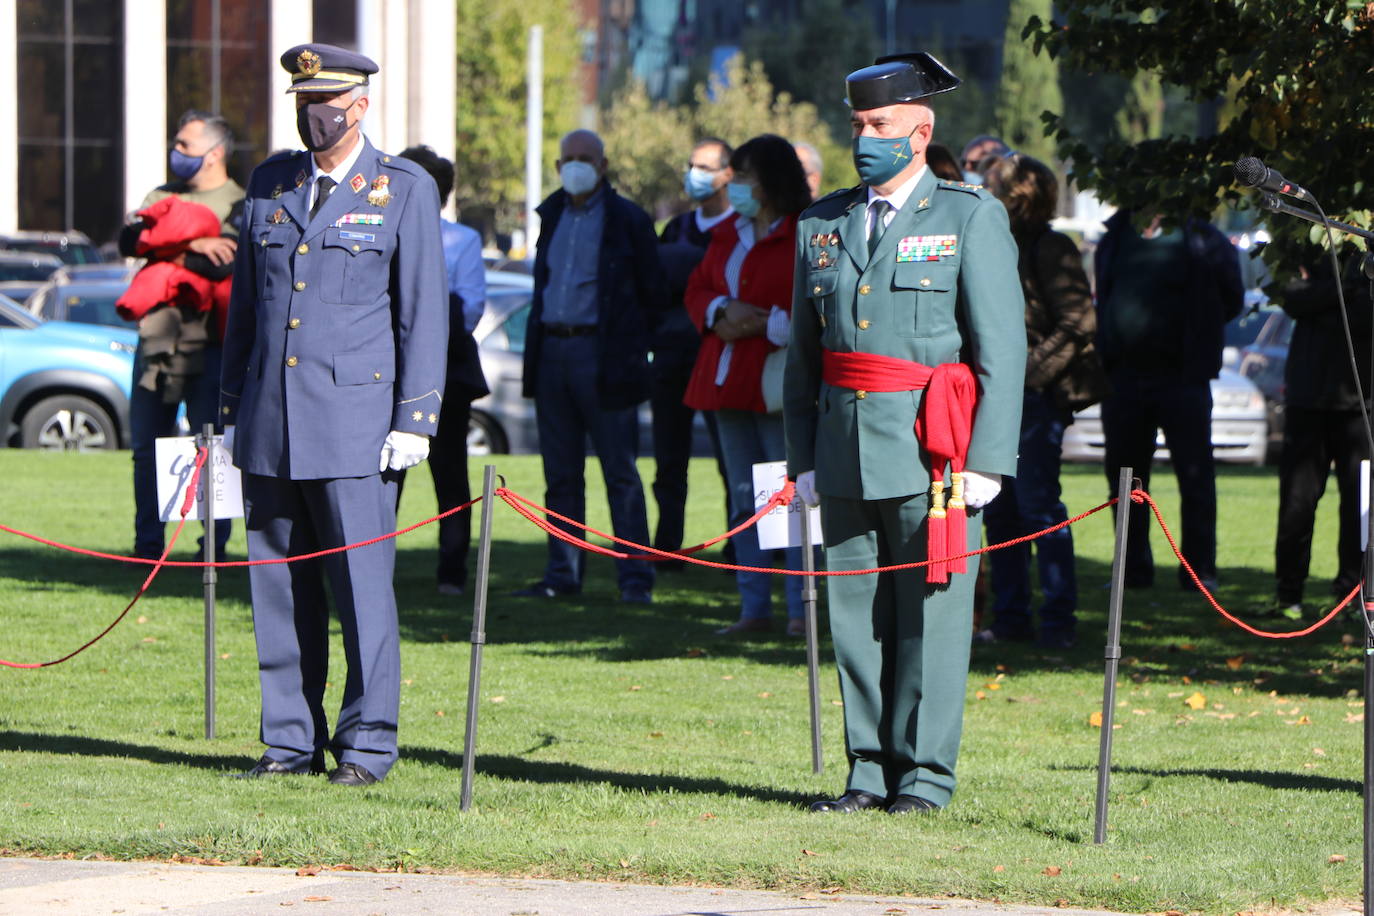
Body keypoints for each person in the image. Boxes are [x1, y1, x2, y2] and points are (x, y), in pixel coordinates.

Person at [785, 53, 1026, 814]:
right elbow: (803, 357)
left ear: (920, 132)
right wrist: (804, 461)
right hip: (844, 445)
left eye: (879, 125)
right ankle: (867, 772)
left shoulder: (969, 215)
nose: (864, 138)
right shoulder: (821, 223)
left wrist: (989, 458)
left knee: (931, 617)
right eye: (857, 125)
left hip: (935, 452)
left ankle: (923, 778)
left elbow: (1001, 349)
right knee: (855, 617)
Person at [220, 43, 448, 786]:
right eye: (302, 103)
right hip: (271, 423)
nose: (312, 116)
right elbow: (246, 314)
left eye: (326, 104)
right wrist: (230, 409)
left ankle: (367, 745)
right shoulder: (268, 184)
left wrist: (416, 418)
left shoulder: (403, 188)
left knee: (361, 592)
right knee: (278, 588)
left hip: (356, 425)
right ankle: (289, 740)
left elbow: (422, 315)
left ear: (360, 106)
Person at [514, 130, 664, 603]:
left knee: (620, 472)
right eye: (569, 159)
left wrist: (631, 349)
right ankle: (562, 576)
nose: (576, 166)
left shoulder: (628, 220)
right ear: (558, 167)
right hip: (553, 353)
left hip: (605, 356)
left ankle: (635, 579)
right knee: (560, 475)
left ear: (603, 165)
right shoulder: (551, 214)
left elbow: (652, 293)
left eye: (586, 158)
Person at [683, 134, 812, 637]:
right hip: (726, 380)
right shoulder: (728, 233)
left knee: (790, 497)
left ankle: (802, 610)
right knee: (744, 498)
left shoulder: (806, 231)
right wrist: (719, 312)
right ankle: (753, 608)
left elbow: (814, 305)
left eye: (745, 176)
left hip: (779, 386)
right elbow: (699, 288)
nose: (734, 185)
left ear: (772, 180)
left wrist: (765, 323)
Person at [980, 153, 1104, 649]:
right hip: (995, 397)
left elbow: (1079, 321)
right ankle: (1010, 619)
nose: (981, 188)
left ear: (1018, 194)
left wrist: (1028, 375)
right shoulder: (993, 242)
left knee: (1037, 506)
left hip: (1035, 400)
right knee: (999, 510)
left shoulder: (1051, 247)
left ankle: (1057, 623)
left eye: (991, 182)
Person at [1094, 209, 1243, 591]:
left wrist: (1197, 333)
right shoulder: (1117, 236)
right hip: (1124, 377)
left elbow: (1231, 297)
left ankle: (1198, 572)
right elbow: (1105, 292)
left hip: (1183, 377)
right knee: (1125, 480)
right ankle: (1131, 570)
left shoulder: (1200, 236)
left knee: (1195, 477)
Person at [119, 110, 241, 561]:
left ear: (215, 153)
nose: (177, 153)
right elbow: (128, 241)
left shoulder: (238, 203)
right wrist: (190, 244)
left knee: (213, 451)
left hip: (211, 349)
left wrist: (163, 251)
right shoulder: (162, 194)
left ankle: (213, 549)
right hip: (156, 342)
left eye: (185, 145)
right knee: (146, 449)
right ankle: (146, 548)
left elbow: (221, 263)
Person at [397, 144, 488, 597]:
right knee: (381, 478)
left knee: (451, 477)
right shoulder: (385, 230)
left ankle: (452, 573)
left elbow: (469, 310)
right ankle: (372, 568)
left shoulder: (461, 240)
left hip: (446, 375)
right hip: (386, 374)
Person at [1273, 258, 1372, 616]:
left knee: (1358, 509)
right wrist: (1348, 290)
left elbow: (1364, 316)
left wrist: (1326, 295)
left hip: (1358, 406)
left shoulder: (1363, 259)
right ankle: (1289, 594)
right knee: (1297, 503)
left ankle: (1352, 594)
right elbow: (1293, 297)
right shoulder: (1310, 246)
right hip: (1307, 402)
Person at [653, 138, 734, 567]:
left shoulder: (741, 228)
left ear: (727, 174)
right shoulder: (677, 228)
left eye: (704, 167)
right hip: (671, 360)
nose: (694, 175)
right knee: (669, 461)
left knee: (730, 459)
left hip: (719, 360)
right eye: (691, 166)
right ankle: (667, 547)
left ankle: (741, 550)